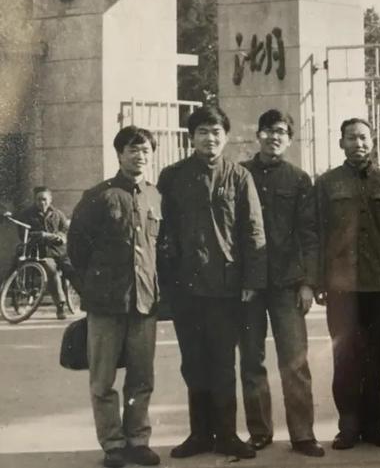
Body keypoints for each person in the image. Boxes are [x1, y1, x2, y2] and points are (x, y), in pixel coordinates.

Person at [157, 106, 267, 460]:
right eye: (203, 132)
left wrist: (252, 280)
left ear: (226, 137)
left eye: (216, 132)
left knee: (222, 363)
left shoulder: (239, 176)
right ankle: (200, 435)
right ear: (191, 137)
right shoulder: (172, 176)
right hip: (185, 286)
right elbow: (162, 230)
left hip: (225, 287)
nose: (210, 138)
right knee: (193, 363)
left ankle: (227, 435)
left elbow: (253, 230)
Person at [68, 126, 162, 468]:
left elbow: (161, 248)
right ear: (119, 154)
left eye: (146, 150)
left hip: (144, 301)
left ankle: (138, 440)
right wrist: (95, 287)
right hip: (106, 303)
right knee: (103, 379)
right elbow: (77, 249)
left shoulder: (156, 197)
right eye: (133, 149)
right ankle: (113, 445)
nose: (140, 155)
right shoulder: (99, 196)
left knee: (141, 377)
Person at [238, 109, 324, 457]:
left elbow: (309, 234)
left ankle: (303, 434)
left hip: (288, 283)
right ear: (258, 134)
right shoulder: (239, 174)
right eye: (269, 130)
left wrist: (308, 283)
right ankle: (259, 432)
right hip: (249, 285)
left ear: (289, 140)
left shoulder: (299, 180)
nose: (274, 137)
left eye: (282, 132)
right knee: (251, 360)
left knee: (295, 361)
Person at [315, 118, 380, 450]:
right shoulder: (326, 183)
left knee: (375, 358)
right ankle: (348, 427)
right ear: (341, 143)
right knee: (345, 359)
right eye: (351, 138)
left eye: (364, 137)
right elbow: (317, 233)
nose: (358, 143)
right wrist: (319, 280)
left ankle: (376, 425)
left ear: (373, 141)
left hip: (379, 283)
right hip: (341, 285)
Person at [17, 186, 72, 320]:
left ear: (50, 199)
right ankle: (60, 305)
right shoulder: (27, 215)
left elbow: (65, 230)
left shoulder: (57, 214)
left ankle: (90, 303)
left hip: (59, 251)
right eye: (39, 199)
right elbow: (23, 234)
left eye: (44, 199)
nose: (42, 202)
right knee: (52, 272)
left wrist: (59, 237)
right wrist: (41, 235)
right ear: (34, 200)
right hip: (40, 253)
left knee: (73, 270)